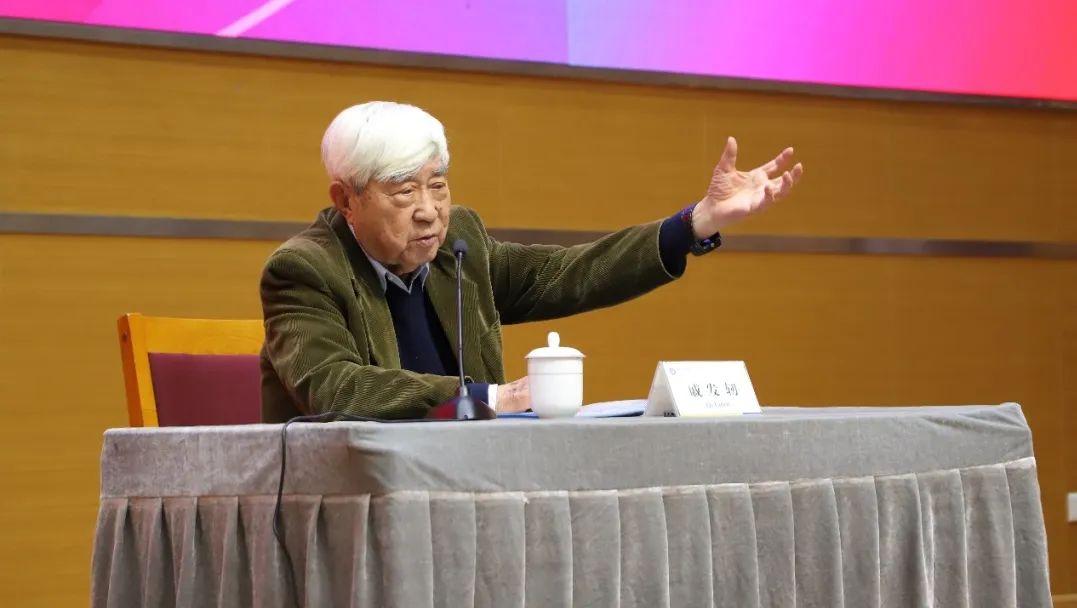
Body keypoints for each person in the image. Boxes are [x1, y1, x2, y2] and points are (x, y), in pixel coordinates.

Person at [260, 101, 802, 422]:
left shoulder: (460, 243)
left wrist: (696, 223)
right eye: (404, 193)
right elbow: (336, 389)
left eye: (438, 186)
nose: (429, 211)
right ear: (346, 200)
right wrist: (489, 397)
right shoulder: (304, 271)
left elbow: (571, 275)